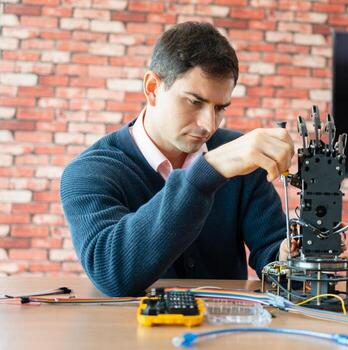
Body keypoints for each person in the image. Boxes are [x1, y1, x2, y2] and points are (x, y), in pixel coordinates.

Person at [60, 22, 295, 297]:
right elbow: (113, 274)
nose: (209, 124)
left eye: (220, 108)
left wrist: (296, 255)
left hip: (225, 335)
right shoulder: (88, 173)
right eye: (194, 101)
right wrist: (210, 171)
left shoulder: (244, 163)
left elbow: (272, 261)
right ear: (152, 88)